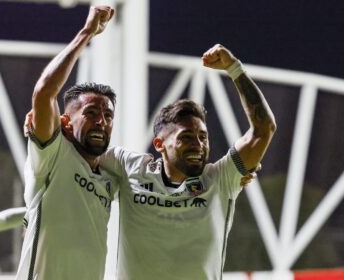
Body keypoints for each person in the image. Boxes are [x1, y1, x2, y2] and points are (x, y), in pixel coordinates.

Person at [99, 44, 276, 279]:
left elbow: (264, 130)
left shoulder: (220, 178)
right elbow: (83, 147)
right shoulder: (128, 167)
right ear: (159, 144)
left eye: (203, 137)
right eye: (186, 137)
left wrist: (234, 68)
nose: (198, 144)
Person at [15, 5, 117, 280]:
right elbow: (44, 93)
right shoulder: (53, 154)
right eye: (91, 113)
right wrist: (87, 33)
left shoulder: (112, 175)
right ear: (64, 122)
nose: (102, 122)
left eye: (108, 115)